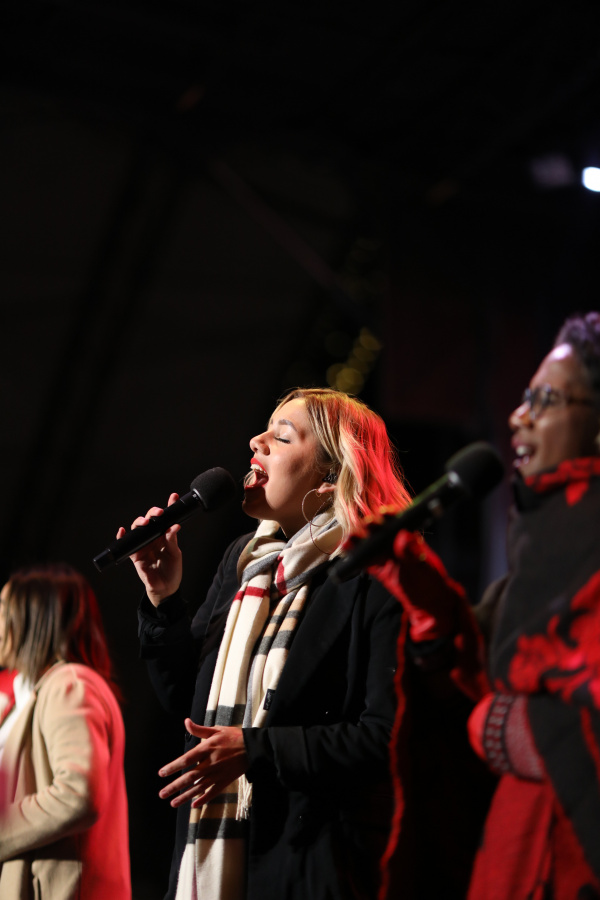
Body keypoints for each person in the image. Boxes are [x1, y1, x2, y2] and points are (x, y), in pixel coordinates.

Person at [126, 388, 415, 900]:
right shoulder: (245, 562)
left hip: (308, 864)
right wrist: (163, 598)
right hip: (209, 859)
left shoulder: (375, 576)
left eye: (281, 437)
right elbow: (186, 700)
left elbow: (387, 738)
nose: (255, 442)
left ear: (329, 478)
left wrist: (256, 750)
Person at [370, 311, 600, 900]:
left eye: (545, 400)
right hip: (513, 861)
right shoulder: (534, 563)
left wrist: (513, 728)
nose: (519, 417)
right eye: (524, 398)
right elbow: (476, 693)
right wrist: (431, 611)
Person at [0, 563, 131, 900]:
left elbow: (77, 794)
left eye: (3, 609)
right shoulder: (32, 692)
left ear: (34, 619)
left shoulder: (69, 685)